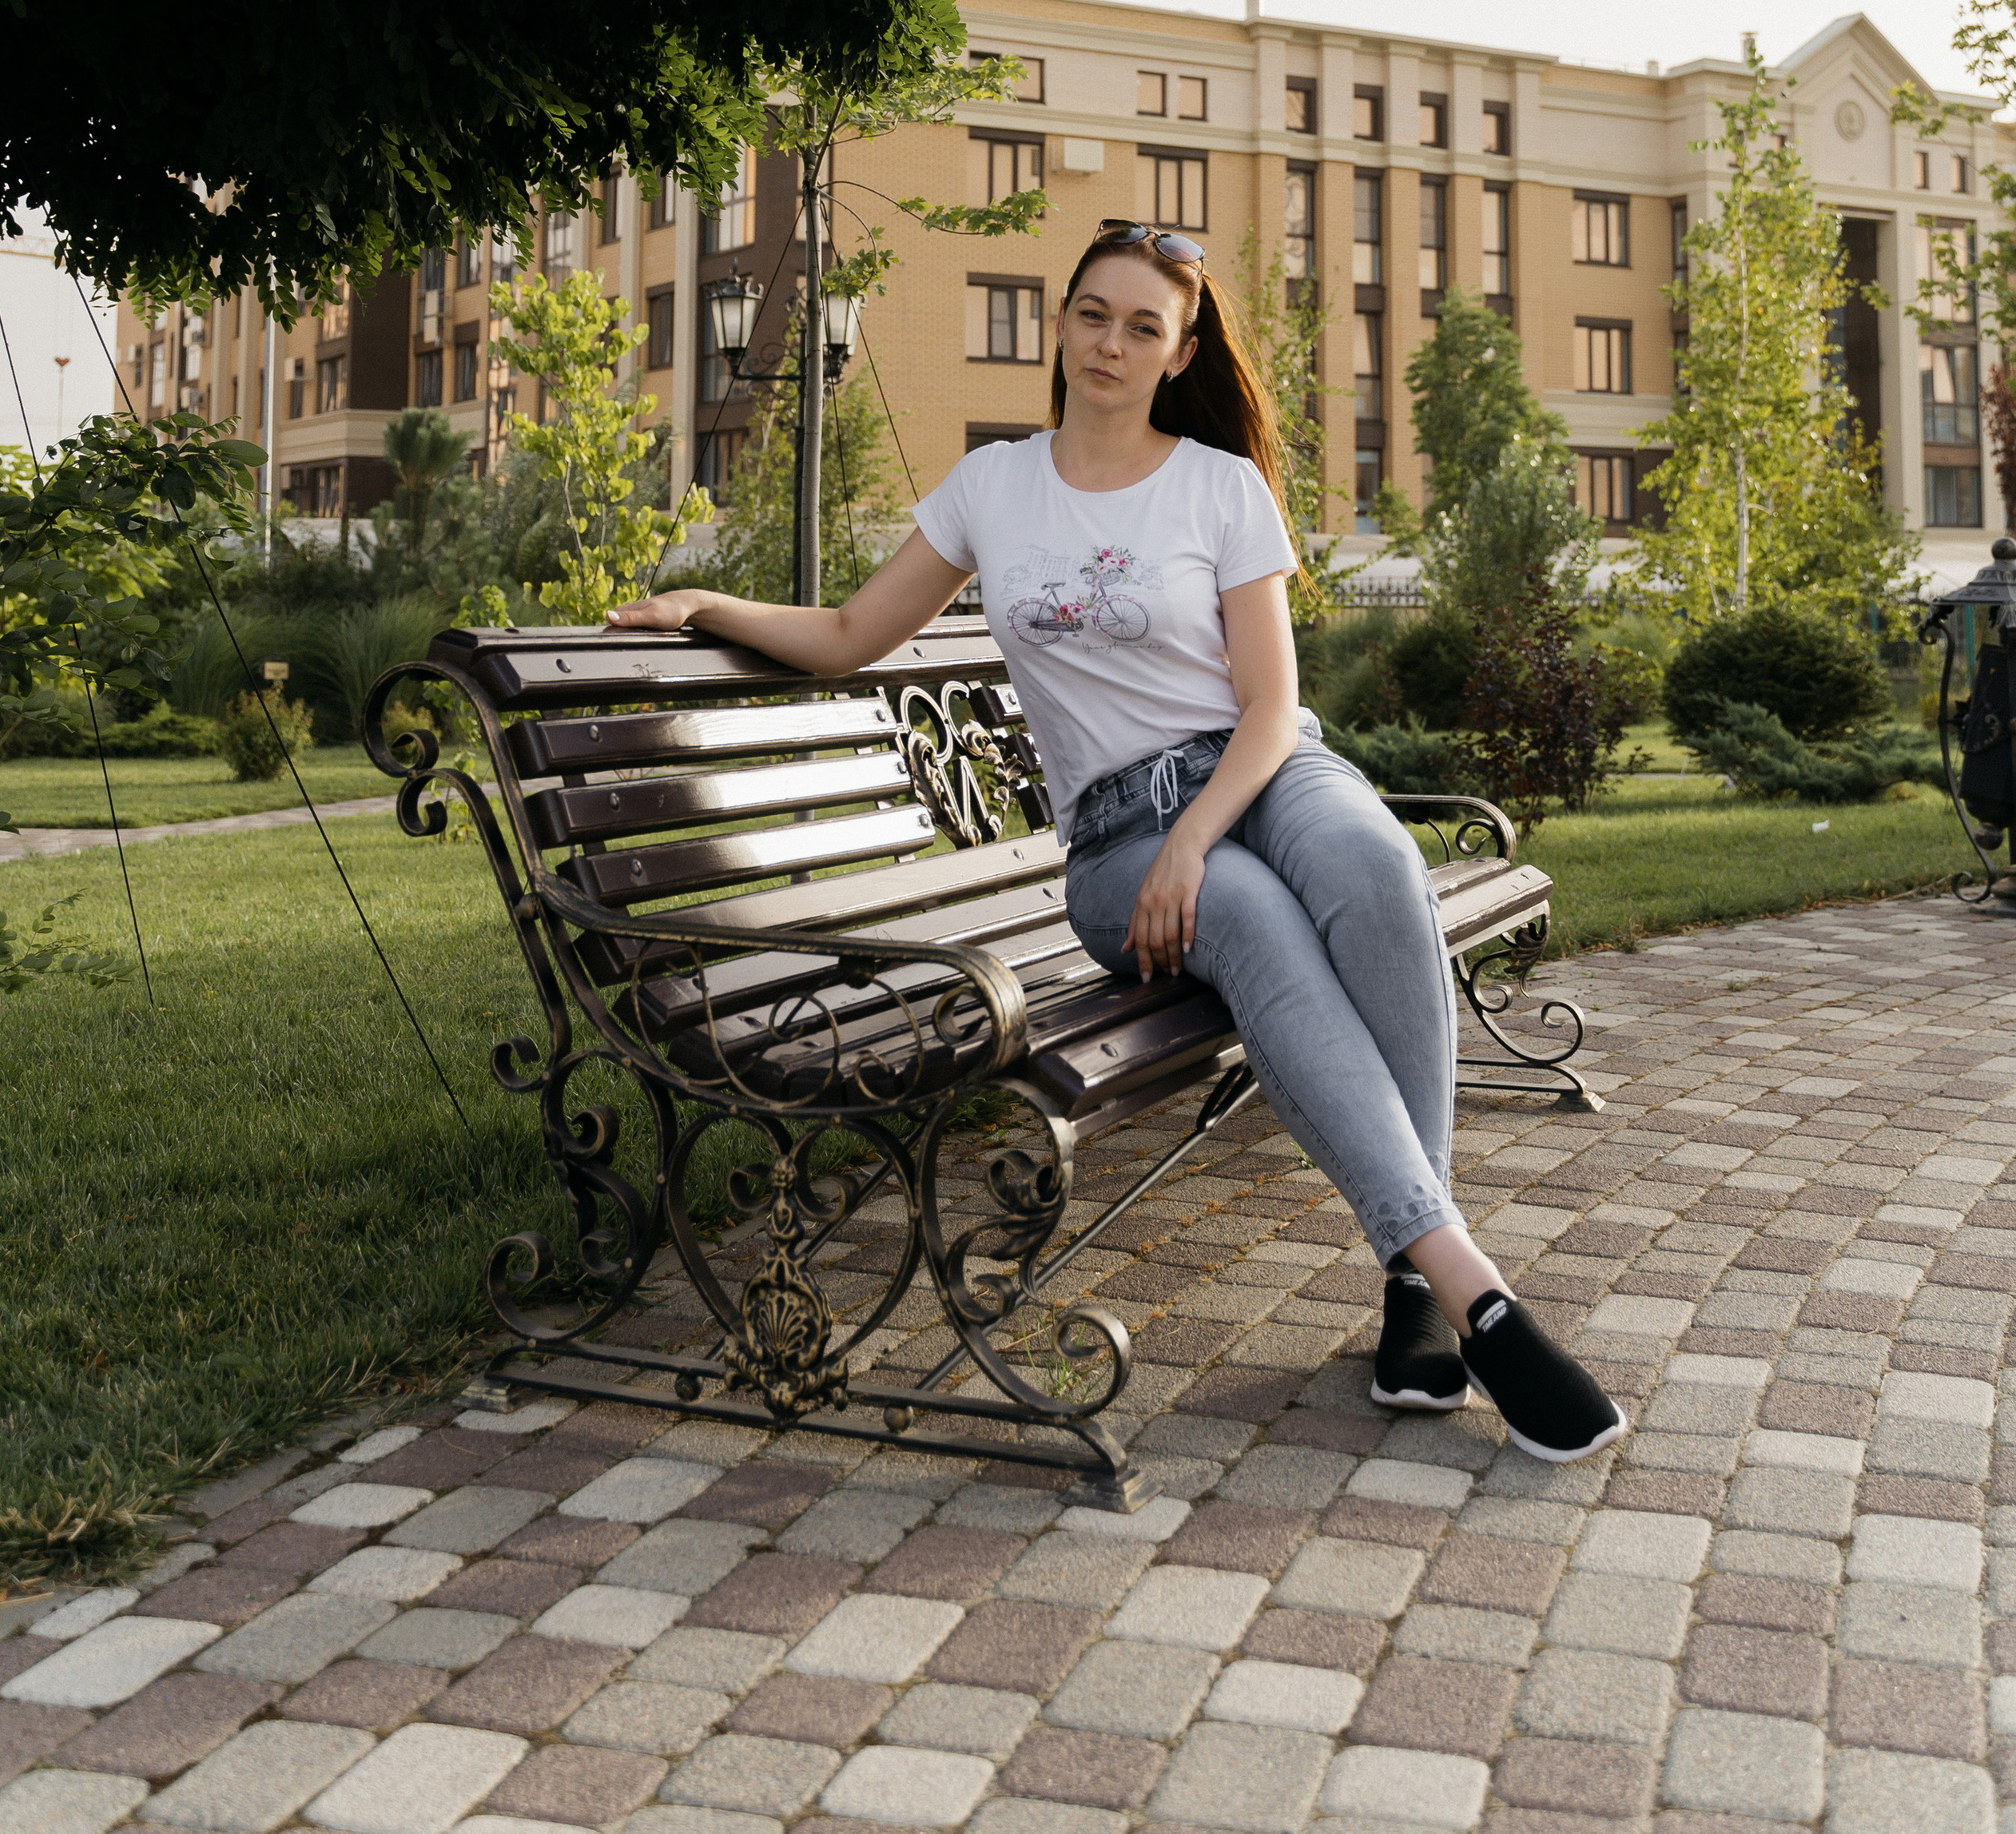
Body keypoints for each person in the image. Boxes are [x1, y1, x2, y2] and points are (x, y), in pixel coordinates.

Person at [606, 217, 1624, 1462]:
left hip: (1265, 769)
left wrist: (1199, 838)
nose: (1112, 341)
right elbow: (849, 632)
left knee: (1373, 861)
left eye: (1145, 325)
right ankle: (1473, 1293)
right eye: (1094, 313)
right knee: (1246, 920)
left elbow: (1264, 708)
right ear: (1062, 321)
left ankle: (1420, 1282)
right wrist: (708, 601)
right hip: (1115, 838)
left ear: (1179, 349)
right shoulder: (993, 487)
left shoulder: (1218, 485)